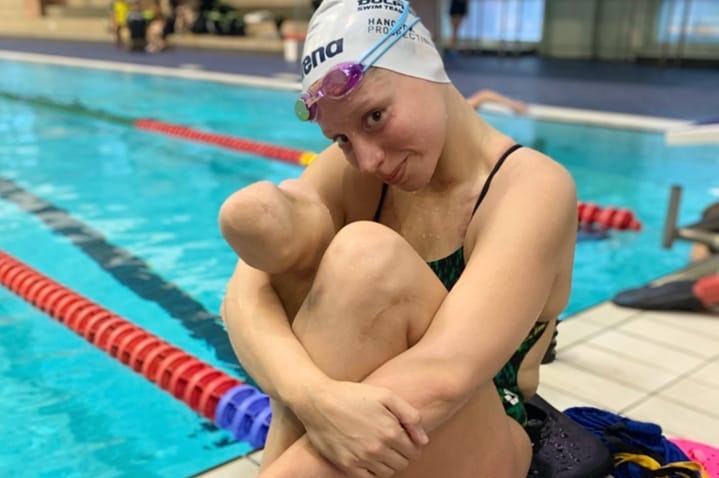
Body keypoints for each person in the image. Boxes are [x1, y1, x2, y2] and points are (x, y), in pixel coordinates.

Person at [218, 1, 577, 477]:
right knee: (282, 243)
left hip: (491, 436)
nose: (366, 160)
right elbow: (243, 298)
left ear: (426, 66)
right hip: (374, 424)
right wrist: (314, 397)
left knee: (365, 256)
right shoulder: (363, 173)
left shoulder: (531, 188)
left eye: (374, 117)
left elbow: (444, 377)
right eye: (341, 139)